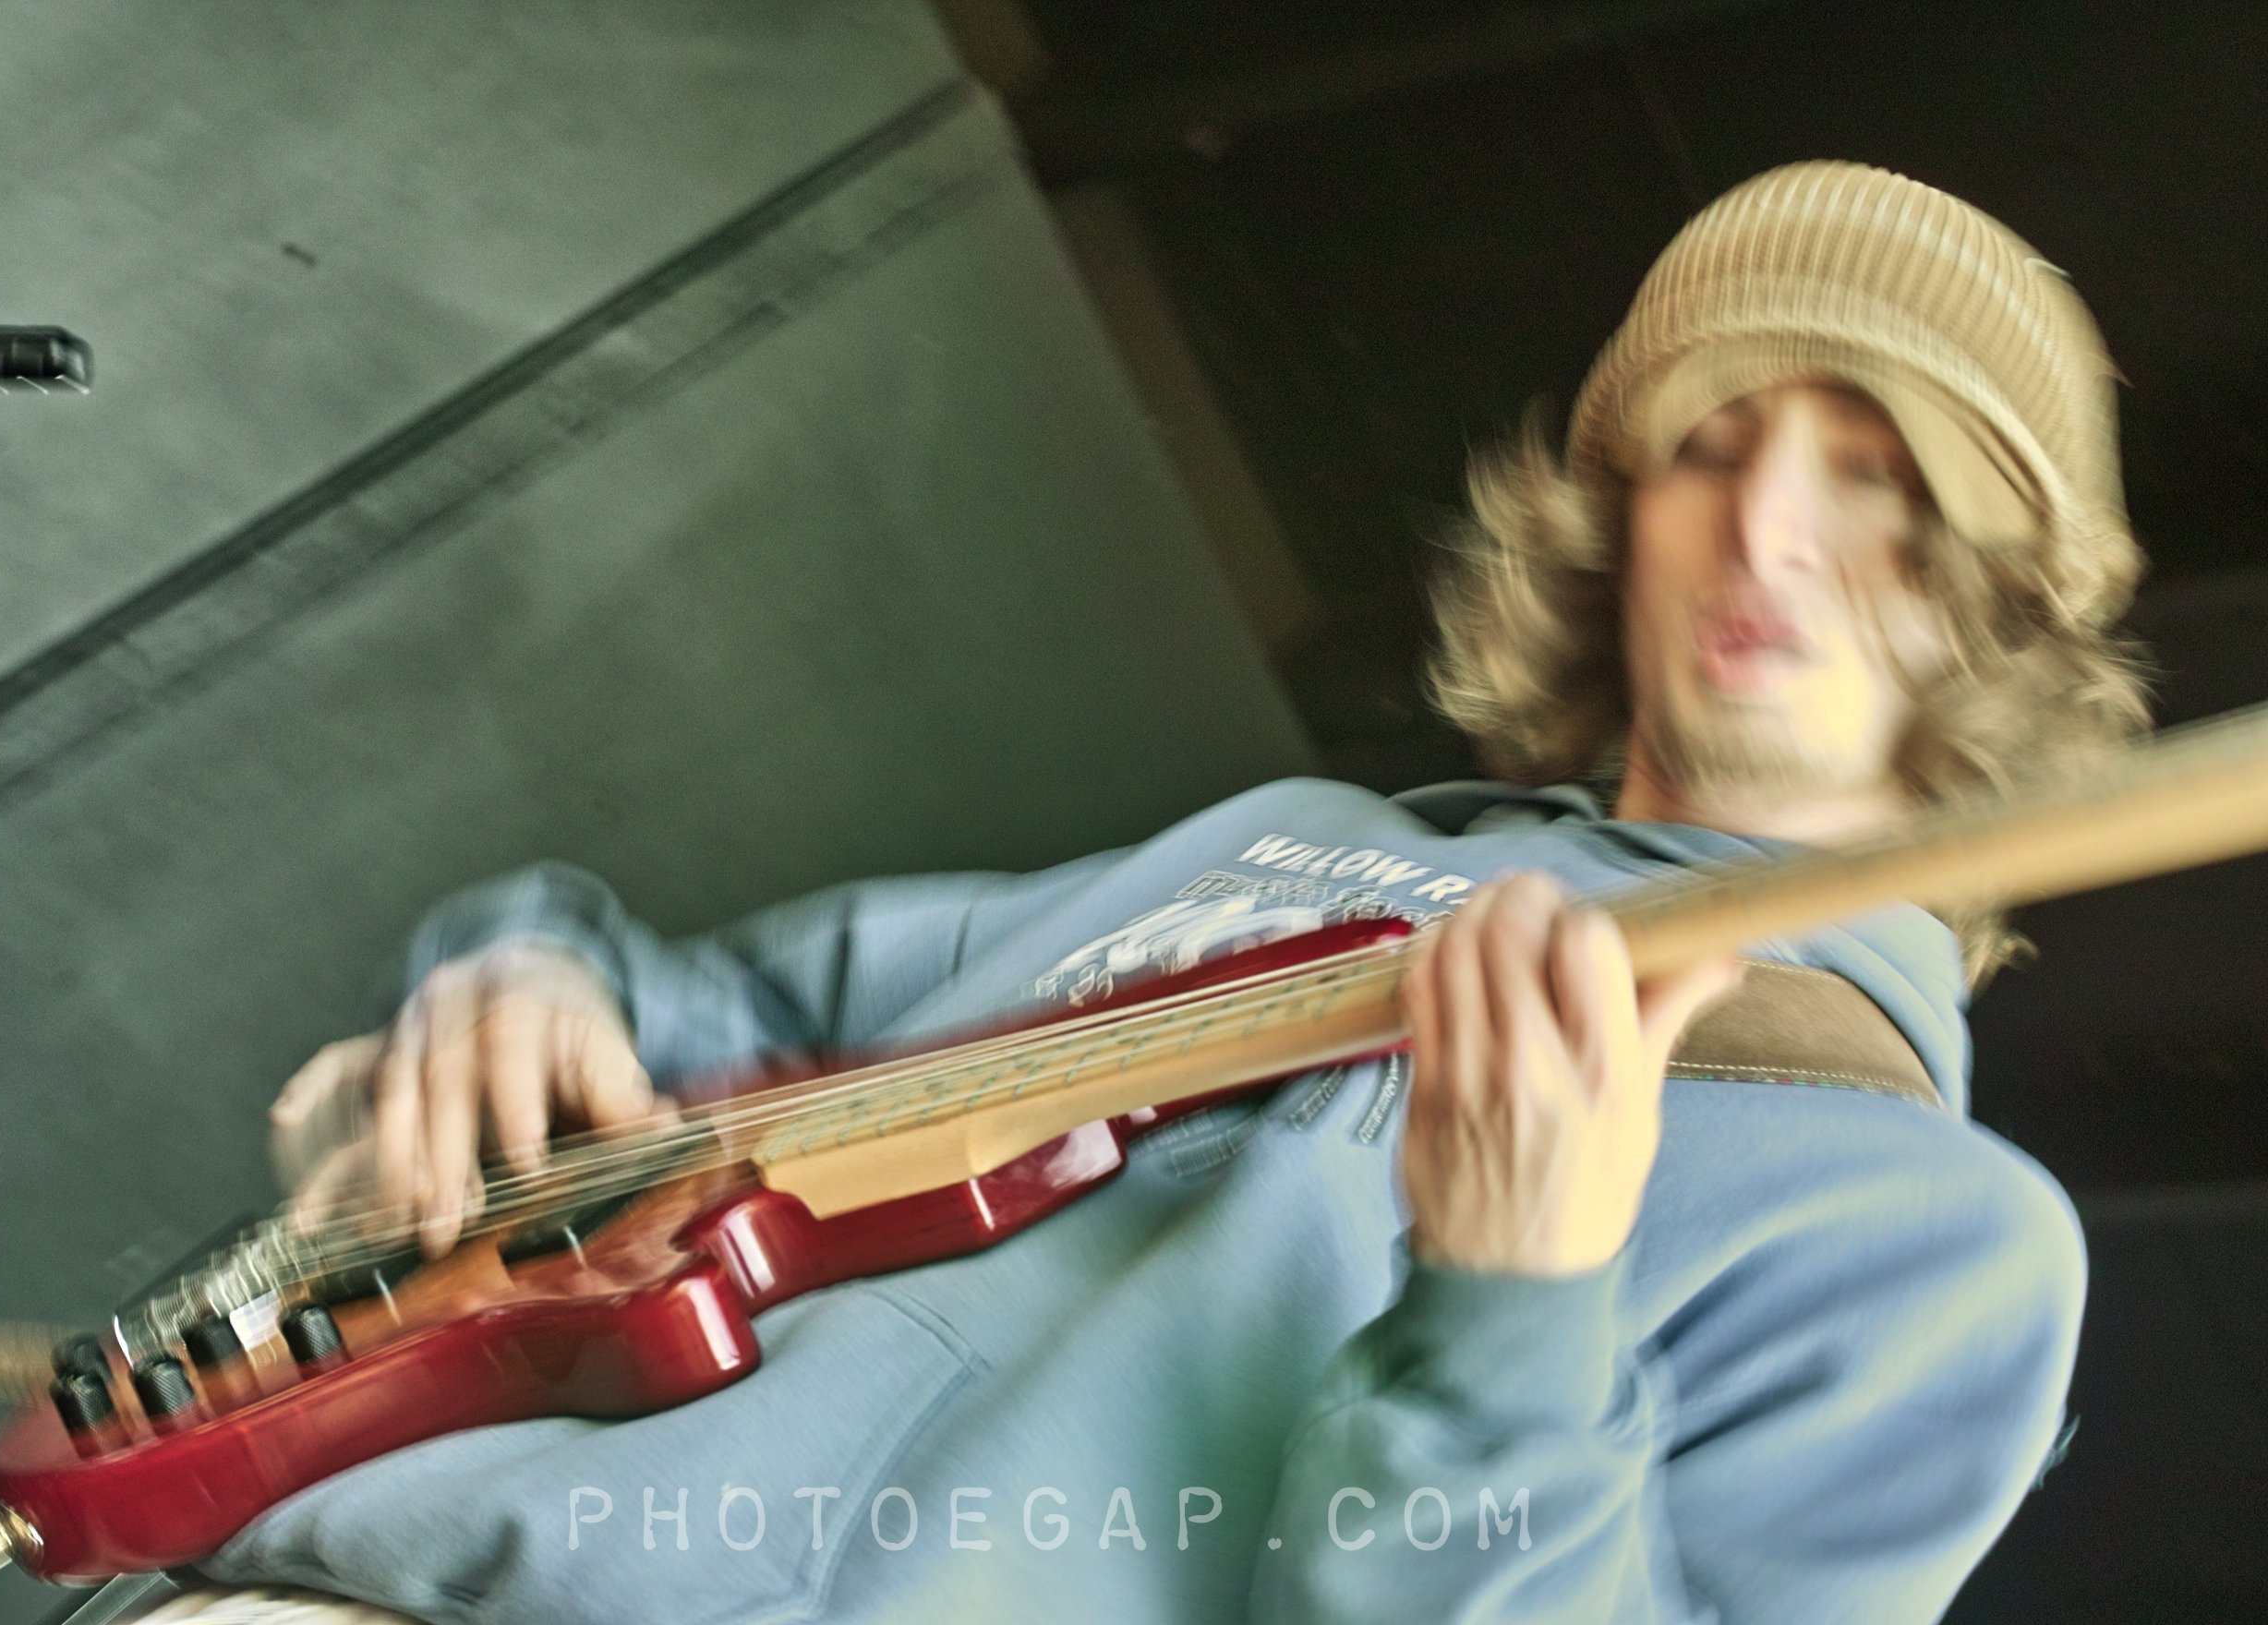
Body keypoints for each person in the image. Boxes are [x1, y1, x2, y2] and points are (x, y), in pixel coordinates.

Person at [154, 162, 2148, 1624]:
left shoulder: (1940, 1249)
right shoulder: (1302, 843)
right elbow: (720, 1023)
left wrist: (1517, 1317)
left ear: (2000, 596)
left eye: (1876, 472)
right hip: (297, 1566)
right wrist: (518, 979)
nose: (1769, 523)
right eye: (1712, 444)